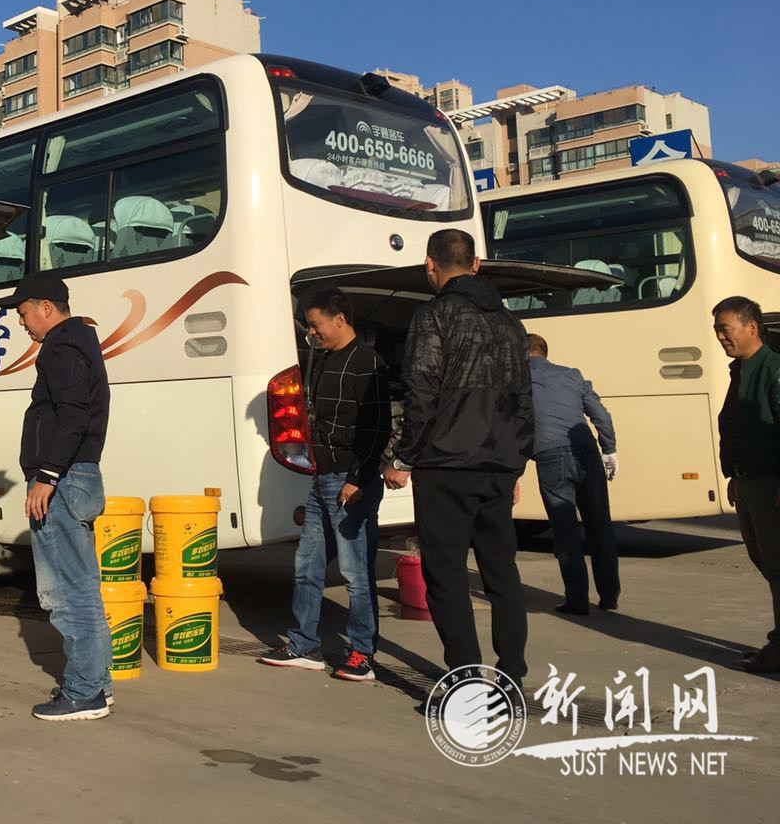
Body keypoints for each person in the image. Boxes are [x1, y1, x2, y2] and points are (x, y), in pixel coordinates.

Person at [383, 229, 533, 686]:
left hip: (446, 465)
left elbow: (422, 391)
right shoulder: (511, 324)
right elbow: (524, 400)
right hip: (498, 464)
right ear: (477, 264)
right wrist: (515, 462)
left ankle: (466, 680)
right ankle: (511, 674)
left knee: (447, 574)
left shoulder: (434, 316)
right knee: (501, 572)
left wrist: (403, 458)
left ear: (430, 265)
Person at [0, 271, 114, 720]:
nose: (21, 322)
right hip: (78, 475)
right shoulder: (79, 341)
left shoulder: (61, 346)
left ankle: (84, 692)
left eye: (23, 312)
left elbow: (73, 414)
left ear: (46, 307)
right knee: (83, 588)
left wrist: (46, 475)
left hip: (62, 481)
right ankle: (97, 684)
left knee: (66, 592)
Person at [260, 288, 391, 681]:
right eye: (309, 326)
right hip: (323, 478)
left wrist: (357, 479)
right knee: (306, 564)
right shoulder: (325, 360)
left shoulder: (367, 363)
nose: (312, 333)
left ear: (340, 319)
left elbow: (377, 428)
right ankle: (304, 645)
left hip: (350, 481)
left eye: (316, 325)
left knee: (355, 572)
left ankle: (362, 653)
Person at [526, 333, 620, 615]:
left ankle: (577, 599)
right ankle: (609, 596)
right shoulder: (572, 375)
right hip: (586, 454)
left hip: (549, 458)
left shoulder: (517, 380)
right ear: (545, 352)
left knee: (565, 532)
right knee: (599, 526)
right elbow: (600, 414)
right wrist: (609, 448)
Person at [713, 296, 780, 674]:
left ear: (751, 327)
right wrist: (733, 475)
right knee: (767, 562)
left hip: (770, 484)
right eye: (717, 330)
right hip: (748, 482)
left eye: (726, 329)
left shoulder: (773, 368)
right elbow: (734, 426)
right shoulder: (740, 370)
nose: (720, 336)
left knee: (778, 565)